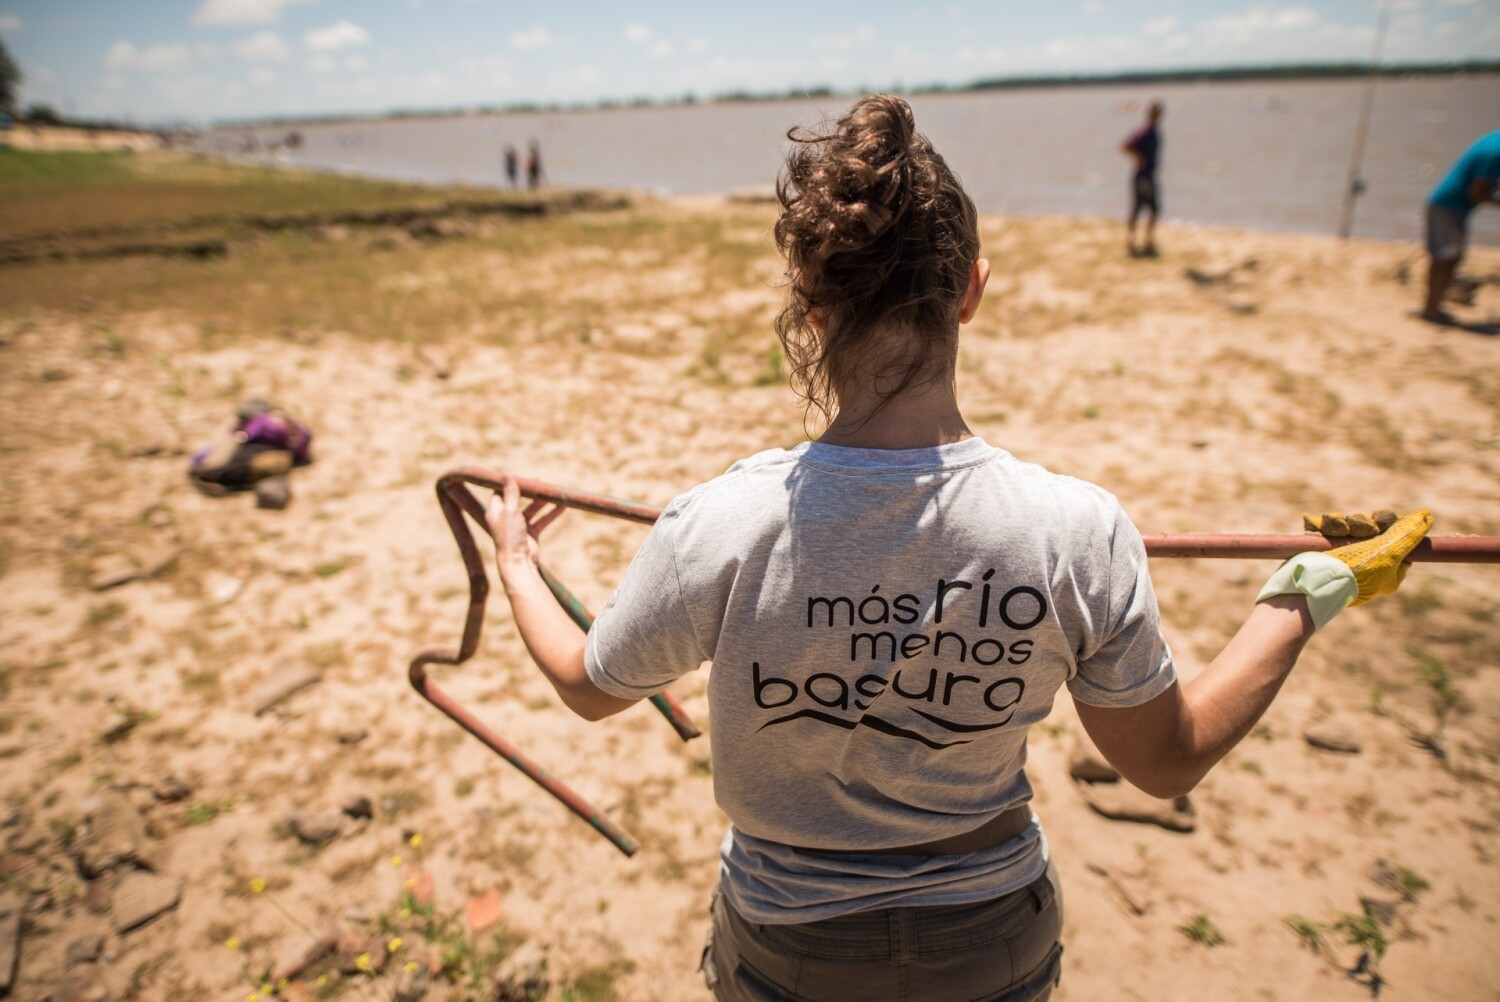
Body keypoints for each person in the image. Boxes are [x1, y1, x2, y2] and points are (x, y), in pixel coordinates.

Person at [484, 95, 1431, 1002]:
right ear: (972, 290)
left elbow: (586, 684)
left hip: (791, 947)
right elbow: (1167, 762)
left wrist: (520, 566)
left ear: (811, 305)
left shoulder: (721, 525)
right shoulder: (1075, 529)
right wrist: (1306, 594)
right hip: (991, 936)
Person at [1423, 131, 1500, 325]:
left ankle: (1434, 306)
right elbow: (1477, 192)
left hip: (1452, 207)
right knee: (1445, 258)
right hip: (1447, 206)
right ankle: (1431, 309)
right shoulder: (1496, 152)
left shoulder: (1494, 140)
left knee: (1450, 257)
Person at [1122, 101, 1163, 257]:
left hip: (1148, 176)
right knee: (1143, 209)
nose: (1157, 115)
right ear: (1149, 114)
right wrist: (1138, 157)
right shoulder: (1145, 132)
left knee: (1150, 210)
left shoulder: (1154, 131)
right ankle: (1135, 241)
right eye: (1154, 112)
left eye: (1158, 112)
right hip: (1143, 177)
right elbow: (1126, 145)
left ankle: (1146, 241)